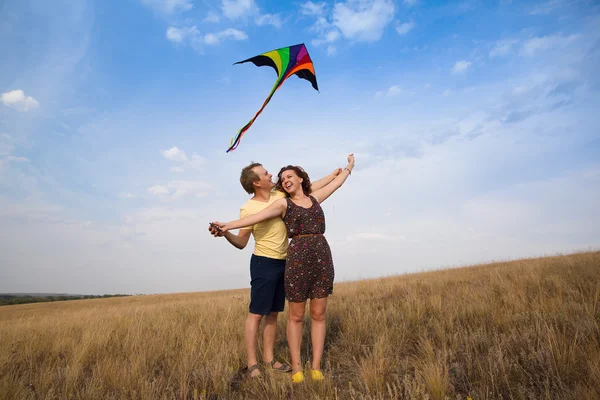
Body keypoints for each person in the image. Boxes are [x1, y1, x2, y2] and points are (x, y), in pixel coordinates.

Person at [211, 154, 355, 383]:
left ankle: (269, 359)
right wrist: (225, 228)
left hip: (288, 260)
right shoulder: (254, 207)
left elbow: (309, 187)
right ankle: (253, 364)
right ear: (256, 182)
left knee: (274, 313)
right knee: (257, 313)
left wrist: (338, 172)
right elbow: (245, 235)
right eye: (267, 174)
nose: (273, 176)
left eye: (282, 175)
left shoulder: (281, 194)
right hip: (266, 261)